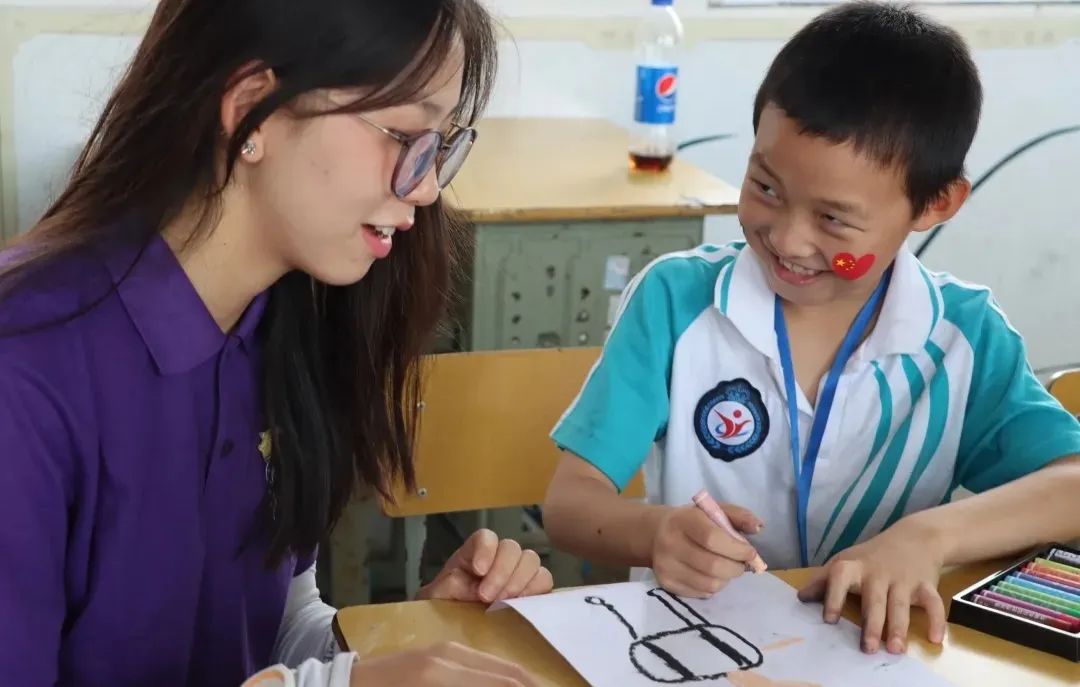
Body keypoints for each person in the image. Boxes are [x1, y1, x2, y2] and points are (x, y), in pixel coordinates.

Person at [0, 1, 551, 686]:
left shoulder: (282, 318)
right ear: (250, 110)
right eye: (406, 135)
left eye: (440, 144)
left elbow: (268, 629)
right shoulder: (25, 367)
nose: (429, 186)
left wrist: (407, 639)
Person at [542, 0, 1080, 657]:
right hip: (693, 649)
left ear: (937, 203)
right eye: (765, 187)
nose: (789, 239)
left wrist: (929, 537)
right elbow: (571, 502)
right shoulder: (675, 303)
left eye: (833, 219)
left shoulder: (963, 339)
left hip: (876, 658)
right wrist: (654, 533)